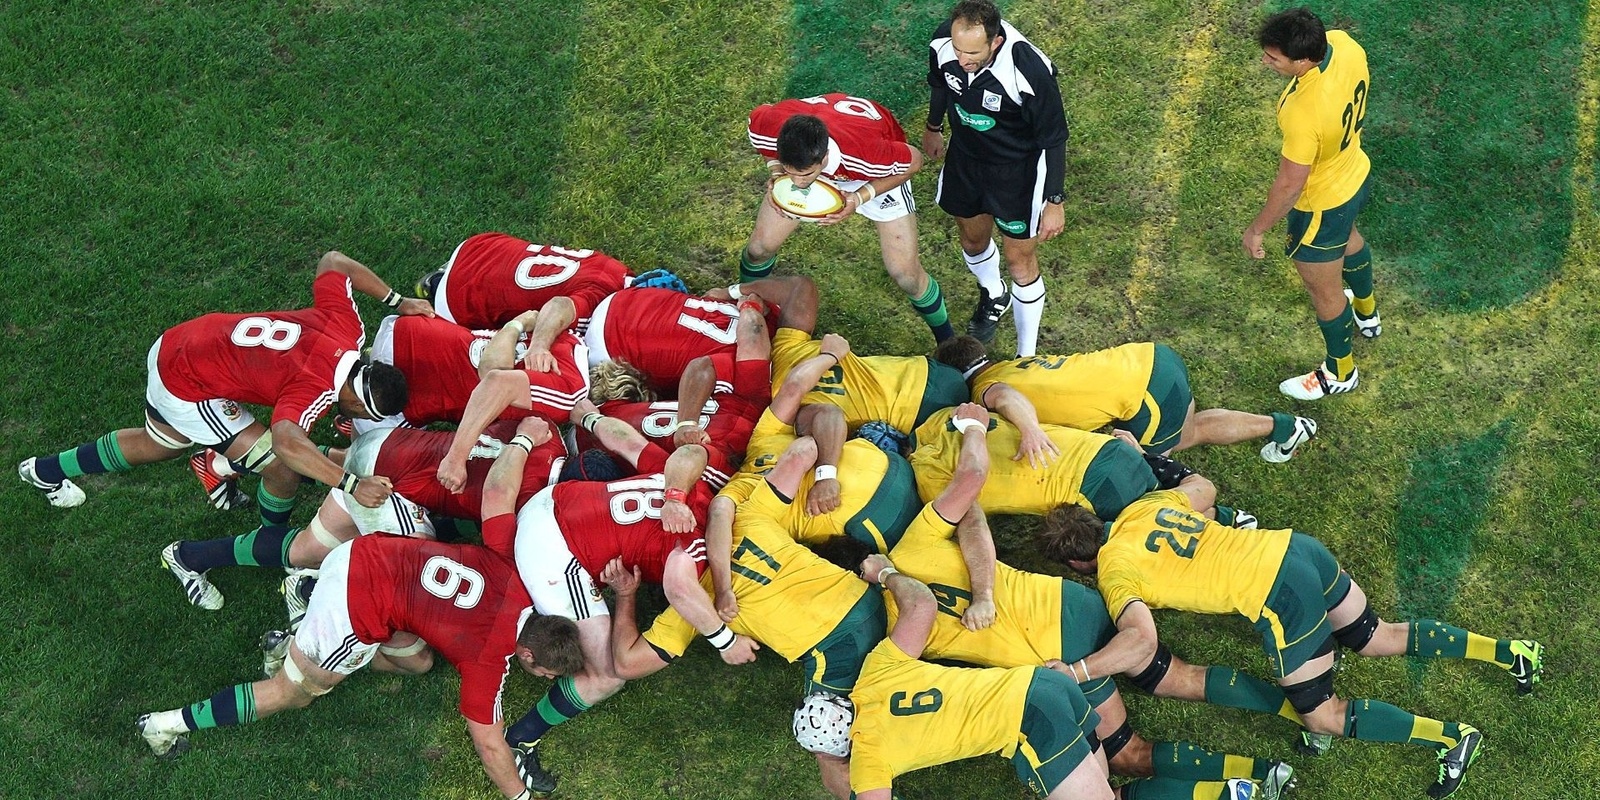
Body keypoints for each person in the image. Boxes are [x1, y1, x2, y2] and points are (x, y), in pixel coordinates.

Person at [1038, 488, 1547, 799]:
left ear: (1078, 564)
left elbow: (1140, 643)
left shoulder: (1113, 571)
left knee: (1322, 713)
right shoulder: (1143, 506)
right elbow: (1202, 487)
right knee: (1375, 636)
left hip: (1281, 596)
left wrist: (1078, 672)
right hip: (1295, 547)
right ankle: (1513, 652)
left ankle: (1452, 738)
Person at [136, 533, 584, 800]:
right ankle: (164, 724)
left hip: (366, 552)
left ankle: (305, 617)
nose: (545, 680)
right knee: (291, 693)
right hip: (355, 604)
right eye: (547, 673)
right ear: (527, 654)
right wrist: (520, 796)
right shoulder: (490, 660)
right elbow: (490, 748)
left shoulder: (515, 580)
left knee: (419, 663)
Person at [20, 251, 416, 533]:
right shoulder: (316, 391)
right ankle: (272, 540)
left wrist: (398, 302)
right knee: (281, 468)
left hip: (186, 340)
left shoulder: (347, 328)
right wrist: (350, 484)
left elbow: (333, 261)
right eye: (364, 415)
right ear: (358, 401)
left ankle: (44, 472)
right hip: (189, 384)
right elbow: (286, 444)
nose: (356, 420)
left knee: (162, 443)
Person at [478, 399, 755, 794]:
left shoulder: (687, 482)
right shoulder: (696, 546)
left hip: (557, 500)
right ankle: (521, 738)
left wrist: (585, 413)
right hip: (557, 554)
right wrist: (723, 641)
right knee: (607, 673)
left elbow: (628, 441)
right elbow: (680, 588)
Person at [835, 555, 1262, 800]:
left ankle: (1231, 792)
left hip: (1044, 693)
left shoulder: (869, 753)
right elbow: (923, 602)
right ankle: (1247, 777)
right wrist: (888, 573)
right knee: (1117, 766)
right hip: (1047, 673)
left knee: (1128, 754)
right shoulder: (878, 667)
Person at [1243, 8, 1380, 400]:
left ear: (1303, 60)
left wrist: (1256, 230)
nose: (1265, 62)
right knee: (1350, 238)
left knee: (1325, 291)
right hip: (1355, 173)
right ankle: (1367, 314)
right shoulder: (1344, 44)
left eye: (1273, 58)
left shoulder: (1304, 114)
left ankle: (1340, 371)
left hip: (1321, 204)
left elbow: (1290, 185)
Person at [741, 92, 954, 342]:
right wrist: (777, 172)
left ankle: (947, 340)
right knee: (759, 248)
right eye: (791, 173)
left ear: (825, 158)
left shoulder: (869, 155)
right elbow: (758, 126)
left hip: (871, 175)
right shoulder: (768, 126)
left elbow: (913, 162)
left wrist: (857, 198)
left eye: (805, 175)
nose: (797, 184)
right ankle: (746, 307)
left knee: (906, 275)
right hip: (834, 140)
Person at [925, 0, 1068, 356]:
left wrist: (1054, 201)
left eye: (972, 52)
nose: (962, 59)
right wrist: (933, 126)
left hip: (1016, 173)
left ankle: (1026, 355)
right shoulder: (943, 45)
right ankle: (993, 293)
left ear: (996, 42)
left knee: (1020, 261)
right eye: (958, 48)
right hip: (966, 161)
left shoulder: (1029, 70)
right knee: (972, 241)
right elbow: (940, 84)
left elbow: (1054, 139)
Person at [934, 334, 1317, 463]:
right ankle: (1287, 426)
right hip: (1152, 357)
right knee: (1189, 426)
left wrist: (1030, 430)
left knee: (1168, 449)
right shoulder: (1015, 363)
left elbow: (1003, 396)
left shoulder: (985, 389)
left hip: (1144, 394)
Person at [414, 232, 632, 330]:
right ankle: (435, 284)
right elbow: (558, 310)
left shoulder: (616, 268)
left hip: (482, 246)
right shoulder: (597, 302)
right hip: (458, 299)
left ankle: (447, 272)